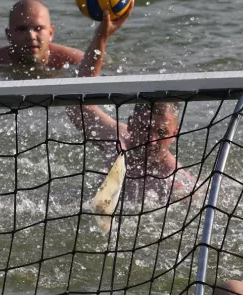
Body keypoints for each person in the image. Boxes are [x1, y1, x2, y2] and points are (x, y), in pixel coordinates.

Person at [67, 11, 192, 199]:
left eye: (160, 132)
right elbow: (77, 102)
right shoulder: (117, 140)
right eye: (144, 128)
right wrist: (101, 37)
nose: (151, 140)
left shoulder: (176, 183)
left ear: (175, 134)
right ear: (131, 123)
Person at [0, 0, 84, 71]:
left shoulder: (74, 60)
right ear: (9, 35)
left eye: (38, 28)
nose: (31, 36)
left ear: (51, 33)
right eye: (21, 29)